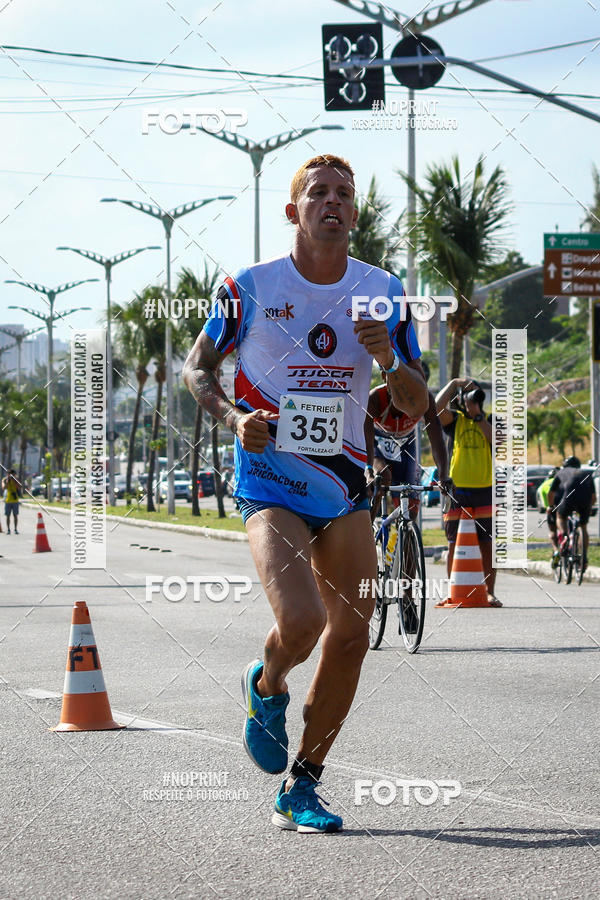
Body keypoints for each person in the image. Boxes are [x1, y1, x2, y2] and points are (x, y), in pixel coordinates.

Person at [183, 154, 427, 833]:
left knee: (352, 634)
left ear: (354, 212)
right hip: (270, 480)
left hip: (345, 485)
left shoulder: (384, 291)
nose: (332, 201)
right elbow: (196, 367)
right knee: (303, 623)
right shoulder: (249, 287)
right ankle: (267, 684)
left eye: (344, 193)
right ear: (293, 211)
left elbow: (416, 398)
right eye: (317, 192)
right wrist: (235, 419)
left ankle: (303, 785)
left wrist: (388, 358)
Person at [435, 377, 501, 606]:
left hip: (484, 487)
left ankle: (490, 591)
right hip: (457, 489)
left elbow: (496, 440)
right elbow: (435, 407)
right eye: (467, 397)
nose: (471, 400)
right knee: (453, 542)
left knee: (487, 544)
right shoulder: (455, 420)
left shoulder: (490, 420)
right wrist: (454, 384)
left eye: (475, 396)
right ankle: (453, 589)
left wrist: (479, 416)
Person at [364, 359, 450, 523]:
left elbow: (436, 437)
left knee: (411, 510)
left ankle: (407, 537)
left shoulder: (425, 399)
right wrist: (368, 469)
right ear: (384, 377)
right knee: (381, 477)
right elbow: (365, 438)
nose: (401, 388)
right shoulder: (375, 398)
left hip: (406, 445)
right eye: (395, 380)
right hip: (378, 445)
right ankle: (367, 530)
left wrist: (444, 476)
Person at [547, 456, 597, 572]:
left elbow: (551, 493)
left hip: (569, 496)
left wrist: (551, 506)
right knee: (583, 527)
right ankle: (583, 556)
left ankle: (565, 536)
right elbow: (594, 497)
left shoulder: (560, 472)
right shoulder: (587, 474)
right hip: (585, 499)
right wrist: (588, 507)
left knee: (560, 517)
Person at [3, 469, 21, 534]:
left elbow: (19, 487)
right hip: (8, 500)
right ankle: (8, 529)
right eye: (9, 474)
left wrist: (14, 481)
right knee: (8, 515)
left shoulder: (16, 480)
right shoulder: (5, 480)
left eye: (12, 474)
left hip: (15, 500)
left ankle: (15, 529)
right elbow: (4, 488)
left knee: (15, 515)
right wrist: (8, 481)